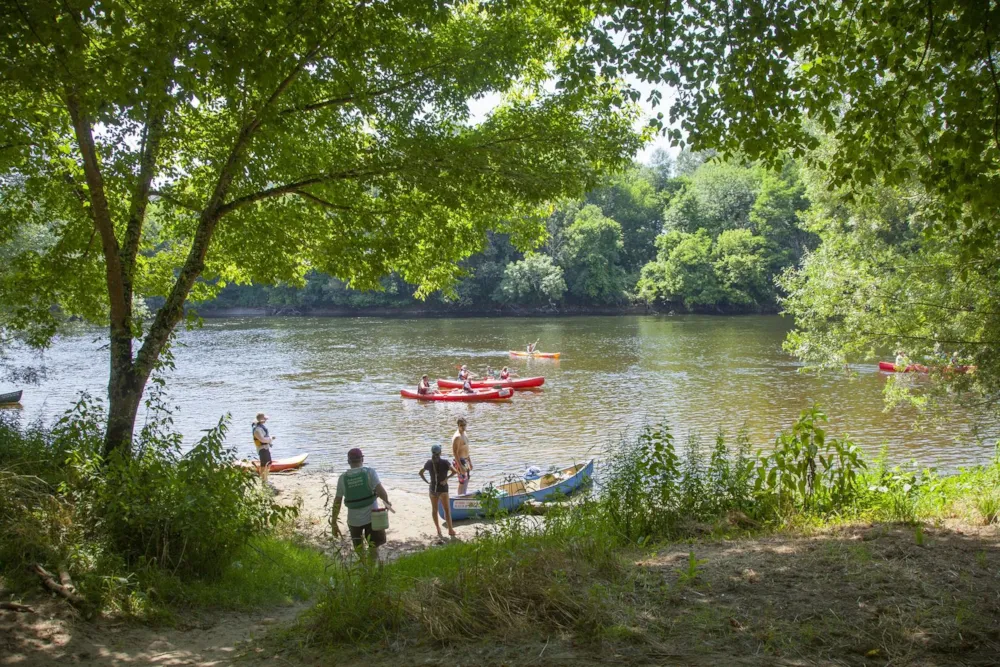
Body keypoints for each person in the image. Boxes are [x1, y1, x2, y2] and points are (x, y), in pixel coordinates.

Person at [331, 448, 394, 560]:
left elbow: (337, 501)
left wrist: (334, 522)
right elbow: (381, 491)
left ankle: (364, 567)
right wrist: (387, 503)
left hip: (354, 521)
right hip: (372, 518)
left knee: (359, 549)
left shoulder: (342, 478)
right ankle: (372, 567)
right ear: (362, 459)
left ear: (349, 461)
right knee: (373, 547)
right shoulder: (369, 472)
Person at [419, 444, 457, 541]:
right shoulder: (445, 462)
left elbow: (420, 473)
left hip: (433, 490)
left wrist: (427, 482)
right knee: (447, 510)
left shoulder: (428, 463)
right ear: (440, 452)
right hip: (443, 490)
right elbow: (455, 471)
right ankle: (450, 530)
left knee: (434, 510)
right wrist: (446, 479)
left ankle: (438, 529)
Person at [251, 413, 275, 485]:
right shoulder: (257, 429)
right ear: (261, 420)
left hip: (265, 447)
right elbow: (262, 440)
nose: (266, 420)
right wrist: (271, 438)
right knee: (265, 464)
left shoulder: (260, 427)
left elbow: (264, 437)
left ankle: (265, 479)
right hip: (262, 449)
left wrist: (269, 439)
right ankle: (264, 481)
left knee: (267, 464)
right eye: (264, 419)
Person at [452, 417, 472, 495]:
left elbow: (466, 449)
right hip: (459, 461)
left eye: (464, 425)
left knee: (467, 479)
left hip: (466, 459)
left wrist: (470, 462)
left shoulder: (464, 433)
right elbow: (455, 453)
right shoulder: (457, 437)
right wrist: (460, 466)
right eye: (461, 425)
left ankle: (464, 494)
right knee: (462, 481)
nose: (463, 427)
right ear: (458, 425)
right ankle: (460, 496)